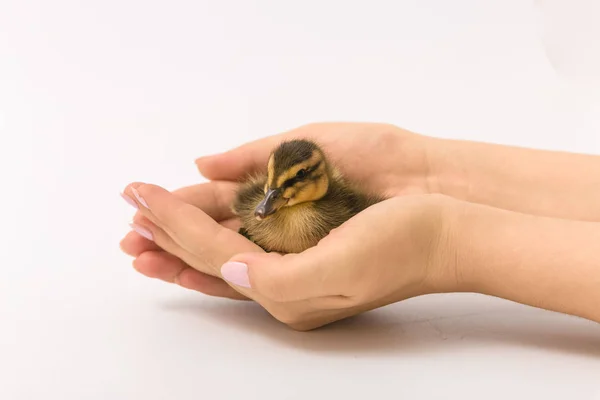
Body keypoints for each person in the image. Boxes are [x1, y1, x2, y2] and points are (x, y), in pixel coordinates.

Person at [119, 122, 600, 331]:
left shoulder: (338, 208)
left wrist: (444, 246)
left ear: (320, 177)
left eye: (293, 183)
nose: (272, 200)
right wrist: (436, 169)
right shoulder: (263, 204)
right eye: (274, 187)